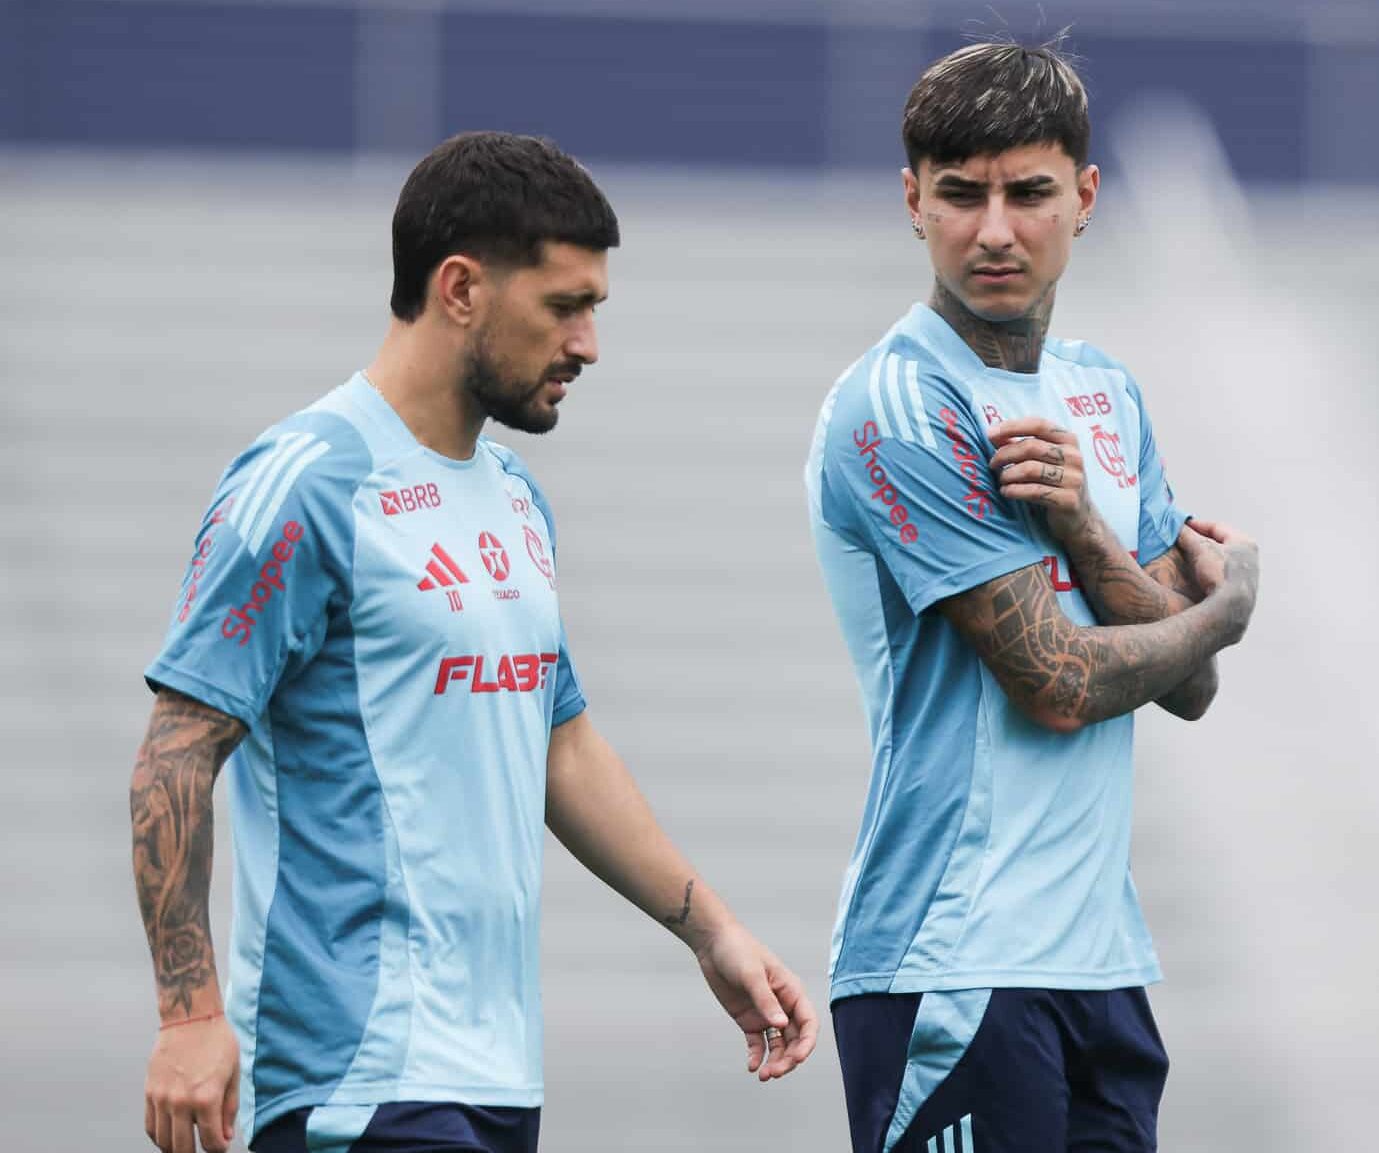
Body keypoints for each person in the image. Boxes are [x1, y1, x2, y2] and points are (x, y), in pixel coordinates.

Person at [129, 131, 817, 1153]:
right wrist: (189, 1016)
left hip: (496, 1076)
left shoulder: (515, 498)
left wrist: (709, 928)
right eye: (563, 305)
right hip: (354, 1079)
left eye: (593, 308)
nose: (587, 343)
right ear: (458, 288)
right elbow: (175, 753)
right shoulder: (306, 483)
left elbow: (561, 743)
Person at [803, 39, 1260, 1153]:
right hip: (953, 960)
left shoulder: (1102, 393)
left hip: (1099, 961)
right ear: (911, 201)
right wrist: (1227, 607)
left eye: (1028, 192)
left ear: (1085, 198)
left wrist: (1083, 525)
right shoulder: (901, 404)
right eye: (960, 194)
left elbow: (1185, 686)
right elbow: (1055, 680)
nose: (994, 229)